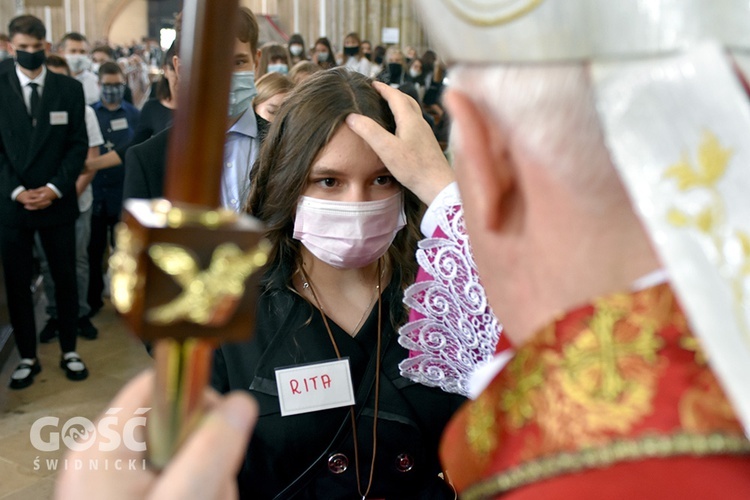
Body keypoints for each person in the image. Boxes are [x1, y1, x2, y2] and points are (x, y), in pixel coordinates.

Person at [212, 67, 463, 499]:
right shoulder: (230, 306)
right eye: (329, 181)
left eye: (381, 179)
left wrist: (444, 189)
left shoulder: (444, 292)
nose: (357, 204)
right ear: (287, 181)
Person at [0, 15, 89, 388]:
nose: (31, 55)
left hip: (56, 200)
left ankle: (70, 349)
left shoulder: (68, 89)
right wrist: (18, 190)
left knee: (64, 277)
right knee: (18, 283)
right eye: (24, 49)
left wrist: (53, 188)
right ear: (10, 47)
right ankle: (27, 355)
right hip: (12, 202)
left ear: (46, 47)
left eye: (38, 49)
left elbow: (77, 145)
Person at [123, 6, 268, 211]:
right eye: (209, 62)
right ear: (181, 69)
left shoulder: (288, 145)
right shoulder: (148, 161)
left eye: (238, 62)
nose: (225, 76)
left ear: (257, 62)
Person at [35, 54, 103, 343]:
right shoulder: (32, 110)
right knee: (49, 263)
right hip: (41, 202)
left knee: (77, 261)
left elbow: (92, 157)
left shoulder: (84, 111)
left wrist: (63, 194)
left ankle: (79, 313)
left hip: (76, 199)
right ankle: (55, 313)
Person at [88, 61, 140, 317]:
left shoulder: (133, 114)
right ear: (99, 84)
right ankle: (93, 299)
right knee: (93, 250)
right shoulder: (89, 113)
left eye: (117, 85)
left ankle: (124, 302)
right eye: (107, 85)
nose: (112, 90)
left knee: (122, 252)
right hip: (95, 191)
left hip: (122, 191)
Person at [58, 31, 99, 105]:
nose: (78, 55)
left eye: (82, 52)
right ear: (62, 52)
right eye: (73, 51)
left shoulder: (96, 82)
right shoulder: (55, 81)